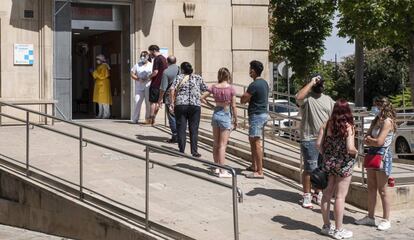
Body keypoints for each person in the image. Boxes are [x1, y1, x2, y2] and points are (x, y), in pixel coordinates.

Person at [317, 99, 358, 239]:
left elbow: (318, 145)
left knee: (327, 195)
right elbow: (350, 148)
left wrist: (327, 156)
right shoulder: (348, 127)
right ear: (347, 111)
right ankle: (339, 230)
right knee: (340, 197)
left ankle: (326, 226)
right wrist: (357, 153)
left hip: (328, 164)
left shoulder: (326, 124)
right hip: (344, 165)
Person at [355, 96, 396, 231]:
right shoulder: (376, 120)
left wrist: (371, 140)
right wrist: (372, 140)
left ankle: (386, 219)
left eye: (376, 106)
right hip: (373, 154)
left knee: (383, 190)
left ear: (382, 106)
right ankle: (370, 217)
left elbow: (380, 142)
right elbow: (367, 138)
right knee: (371, 188)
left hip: (382, 156)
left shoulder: (388, 122)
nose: (375, 108)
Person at [295, 74, 335, 208]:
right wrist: (311, 82)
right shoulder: (307, 98)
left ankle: (317, 193)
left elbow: (334, 117)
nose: (319, 86)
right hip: (309, 139)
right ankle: (306, 195)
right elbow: (298, 97)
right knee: (309, 169)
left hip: (325, 140)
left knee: (322, 169)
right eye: (317, 83)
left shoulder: (328, 100)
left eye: (320, 83)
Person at [201, 68, 237, 178]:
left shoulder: (213, 87)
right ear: (228, 76)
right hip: (225, 115)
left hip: (216, 114)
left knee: (216, 143)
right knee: (222, 145)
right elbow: (234, 106)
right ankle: (222, 170)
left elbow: (201, 97)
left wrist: (212, 106)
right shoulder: (231, 88)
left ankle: (216, 167)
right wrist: (236, 119)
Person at [170, 62, 207, 158]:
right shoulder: (198, 77)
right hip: (195, 105)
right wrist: (201, 97)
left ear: (182, 69)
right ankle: (194, 151)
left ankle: (181, 151)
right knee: (194, 129)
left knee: (181, 128)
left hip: (181, 104)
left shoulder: (179, 77)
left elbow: (172, 89)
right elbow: (206, 89)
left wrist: (171, 102)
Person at [241, 60, 268, 179]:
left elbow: (243, 99)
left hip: (256, 115)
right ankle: (254, 166)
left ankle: (259, 171)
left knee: (256, 142)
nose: (249, 71)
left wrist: (244, 96)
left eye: (250, 68)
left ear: (253, 70)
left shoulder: (254, 85)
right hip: (261, 114)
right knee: (252, 140)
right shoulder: (265, 83)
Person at [158, 56, 179, 143]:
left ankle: (175, 136)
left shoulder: (166, 72)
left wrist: (160, 99)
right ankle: (181, 134)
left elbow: (163, 88)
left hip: (169, 96)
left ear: (167, 61)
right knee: (178, 116)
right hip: (180, 96)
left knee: (172, 117)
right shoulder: (180, 69)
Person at [148, 45, 168, 125]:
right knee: (158, 102)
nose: (150, 54)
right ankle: (153, 118)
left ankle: (150, 119)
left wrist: (149, 77)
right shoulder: (164, 58)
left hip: (155, 83)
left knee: (153, 102)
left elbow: (155, 72)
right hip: (162, 84)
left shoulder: (157, 59)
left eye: (150, 52)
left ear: (153, 51)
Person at [131, 51, 152, 124]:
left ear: (148, 57)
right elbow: (132, 73)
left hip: (148, 86)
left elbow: (154, 74)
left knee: (148, 103)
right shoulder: (137, 65)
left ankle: (147, 118)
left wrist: (148, 78)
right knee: (137, 102)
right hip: (139, 87)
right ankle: (135, 118)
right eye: (141, 56)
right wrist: (138, 78)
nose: (143, 57)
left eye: (144, 56)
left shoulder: (151, 65)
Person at [91, 54, 112, 119]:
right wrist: (93, 73)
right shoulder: (100, 66)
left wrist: (94, 72)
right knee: (100, 101)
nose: (97, 61)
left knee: (104, 101)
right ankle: (100, 114)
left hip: (103, 85)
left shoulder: (104, 66)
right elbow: (96, 76)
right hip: (100, 84)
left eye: (98, 59)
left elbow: (102, 76)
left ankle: (106, 114)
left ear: (101, 60)